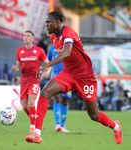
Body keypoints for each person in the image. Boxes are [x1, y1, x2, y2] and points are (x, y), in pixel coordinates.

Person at [25, 11, 122, 144]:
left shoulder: (68, 32)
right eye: (46, 22)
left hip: (85, 76)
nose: (46, 25)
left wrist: (47, 65)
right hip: (68, 74)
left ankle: (116, 127)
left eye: (48, 22)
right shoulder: (53, 37)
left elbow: (66, 53)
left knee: (94, 115)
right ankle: (37, 133)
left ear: (57, 22)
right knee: (45, 92)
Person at [12, 30, 51, 133]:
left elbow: (48, 63)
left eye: (28, 36)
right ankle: (35, 120)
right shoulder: (19, 51)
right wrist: (15, 69)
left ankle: (33, 125)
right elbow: (19, 66)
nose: (26, 38)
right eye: (24, 36)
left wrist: (47, 72)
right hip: (24, 80)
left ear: (33, 39)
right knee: (24, 106)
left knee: (31, 101)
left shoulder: (39, 50)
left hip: (34, 80)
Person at [47, 45, 71, 132]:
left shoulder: (68, 47)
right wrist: (47, 71)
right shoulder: (52, 48)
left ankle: (63, 125)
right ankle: (57, 124)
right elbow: (47, 61)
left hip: (67, 77)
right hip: (55, 76)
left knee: (64, 100)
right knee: (56, 98)